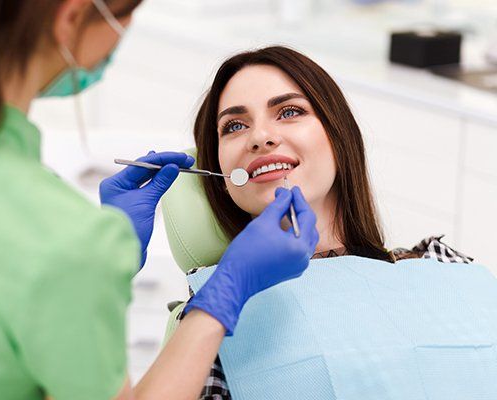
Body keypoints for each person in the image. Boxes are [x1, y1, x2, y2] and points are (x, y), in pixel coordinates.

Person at [0, 2, 320, 400]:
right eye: (124, 14)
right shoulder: (63, 240)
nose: (262, 137)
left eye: (289, 112)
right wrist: (224, 293)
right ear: (71, 17)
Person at [185, 46, 473, 399]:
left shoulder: (441, 264)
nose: (260, 137)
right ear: (222, 179)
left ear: (339, 137)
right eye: (234, 126)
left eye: (289, 111)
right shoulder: (213, 318)